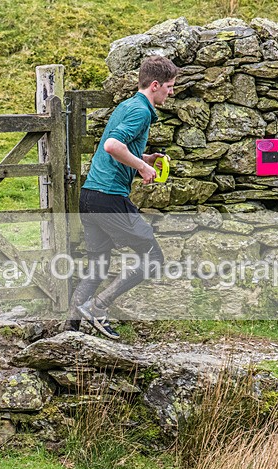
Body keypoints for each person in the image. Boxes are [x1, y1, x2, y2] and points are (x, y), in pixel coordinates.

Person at [68, 55, 179, 340]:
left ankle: (69, 330)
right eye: (169, 86)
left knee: (99, 263)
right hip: (109, 198)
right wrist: (141, 167)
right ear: (155, 85)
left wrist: (145, 157)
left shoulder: (126, 105)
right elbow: (112, 145)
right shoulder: (141, 111)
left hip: (90, 195)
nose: (172, 91)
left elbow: (119, 149)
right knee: (153, 257)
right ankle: (98, 307)